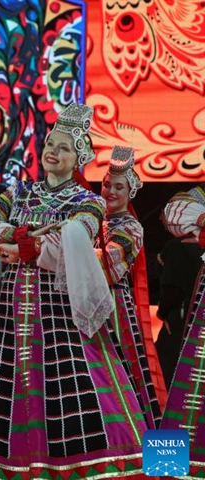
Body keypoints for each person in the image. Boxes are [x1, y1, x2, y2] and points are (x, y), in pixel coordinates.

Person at [0, 103, 146, 478]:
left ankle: (84, 463)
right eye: (50, 144)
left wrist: (28, 246)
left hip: (60, 307)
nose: (53, 151)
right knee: (15, 382)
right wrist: (18, 238)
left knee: (71, 381)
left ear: (78, 158)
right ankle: (19, 464)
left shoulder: (88, 201)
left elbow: (76, 239)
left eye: (64, 148)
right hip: (17, 304)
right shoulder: (18, 192)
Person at [99, 146, 164, 428]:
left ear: (130, 192)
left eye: (119, 187)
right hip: (83, 303)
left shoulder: (132, 228)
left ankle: (137, 443)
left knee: (121, 373)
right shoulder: (90, 222)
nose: (111, 191)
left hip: (114, 308)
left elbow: (108, 266)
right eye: (107, 185)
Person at [159, 181, 205, 477]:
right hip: (191, 316)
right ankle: (165, 468)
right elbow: (173, 213)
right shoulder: (194, 199)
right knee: (179, 391)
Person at [155, 236, 203, 390]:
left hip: (182, 319)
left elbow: (172, 290)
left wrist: (162, 313)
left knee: (171, 371)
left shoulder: (178, 245)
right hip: (196, 316)